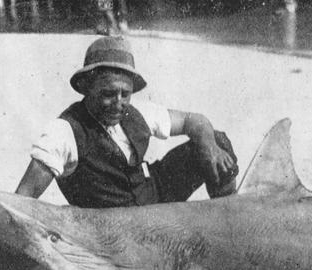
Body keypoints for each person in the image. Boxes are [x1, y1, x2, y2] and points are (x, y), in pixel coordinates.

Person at [15, 36, 238, 208]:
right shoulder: (63, 132)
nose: (118, 103)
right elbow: (22, 200)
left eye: (125, 93)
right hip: (113, 228)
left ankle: (228, 218)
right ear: (86, 87)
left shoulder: (136, 111)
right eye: (108, 93)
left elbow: (193, 120)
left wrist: (210, 148)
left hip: (154, 197)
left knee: (217, 141)